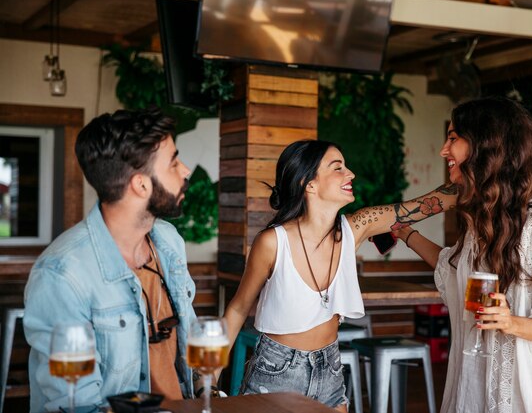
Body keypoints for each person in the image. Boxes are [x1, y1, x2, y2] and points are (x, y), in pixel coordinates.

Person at [396, 97, 532, 412]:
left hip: (520, 397)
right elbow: (451, 270)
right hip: (474, 386)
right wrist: (406, 233)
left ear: (483, 145)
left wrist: (509, 321)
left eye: (453, 138)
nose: (443, 150)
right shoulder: (482, 223)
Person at [223, 139, 460, 411]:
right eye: (338, 168)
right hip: (277, 370)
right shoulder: (273, 242)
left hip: (330, 368)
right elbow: (238, 309)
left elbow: (435, 202)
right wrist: (208, 371)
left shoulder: (357, 227)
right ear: (308, 183)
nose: (351, 174)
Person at [23, 108, 197, 412]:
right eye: (173, 162)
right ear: (140, 184)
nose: (185, 171)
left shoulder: (169, 242)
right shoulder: (62, 274)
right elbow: (75, 404)